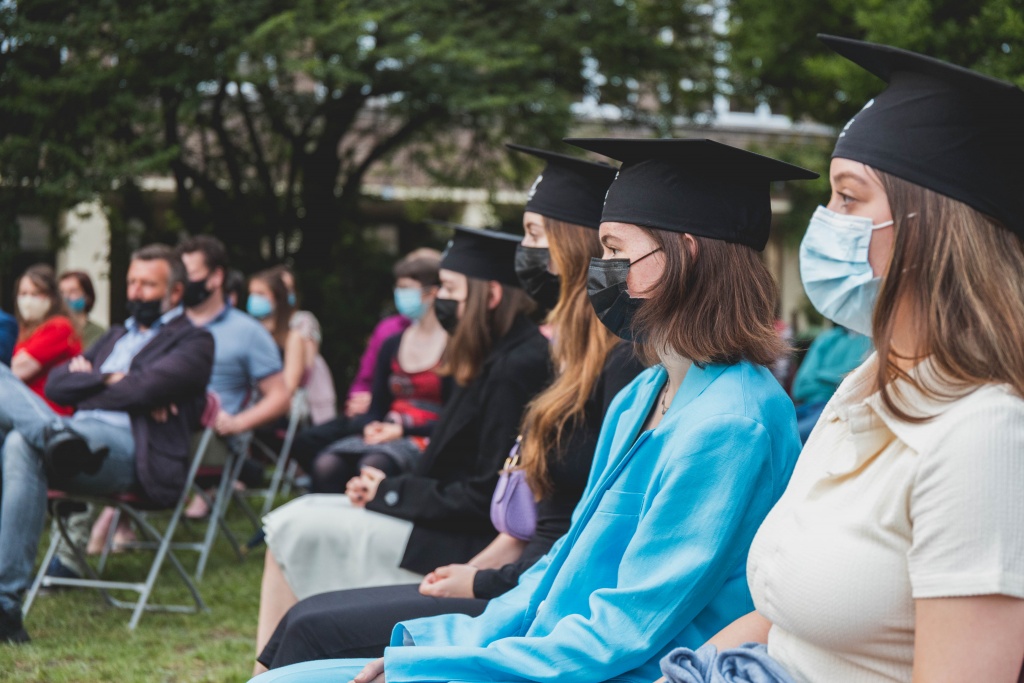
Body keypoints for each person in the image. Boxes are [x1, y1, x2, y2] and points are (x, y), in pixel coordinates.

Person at [250, 137, 814, 683]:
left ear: (685, 254)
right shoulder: (642, 395)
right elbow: (563, 565)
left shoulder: (731, 424)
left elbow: (625, 630)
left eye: (615, 249)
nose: (600, 267)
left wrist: (447, 667)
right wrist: (454, 643)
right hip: (550, 649)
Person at [697, 36, 1024, 683]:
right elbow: (782, 620)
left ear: (935, 229)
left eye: (848, 198)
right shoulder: (867, 383)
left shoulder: (986, 434)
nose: (826, 221)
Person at [254, 145, 640, 671]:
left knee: (308, 611)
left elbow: (556, 522)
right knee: (302, 584)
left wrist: (403, 505)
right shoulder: (559, 360)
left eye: (533, 234)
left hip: (519, 589)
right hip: (507, 571)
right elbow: (529, 516)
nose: (525, 252)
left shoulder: (591, 365)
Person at [253, 226, 551, 658]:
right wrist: (384, 488)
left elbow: (483, 494)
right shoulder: (491, 356)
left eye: (449, 289)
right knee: (295, 514)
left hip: (458, 541)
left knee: (291, 529)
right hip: (435, 517)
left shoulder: (515, 367)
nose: (440, 300)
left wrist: (389, 493)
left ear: (489, 296)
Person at [0, 244, 214, 643]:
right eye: (131, 282)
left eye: (147, 285)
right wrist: (117, 382)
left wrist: (95, 380)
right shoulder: (115, 335)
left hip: (131, 449)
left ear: (175, 291)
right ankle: (5, 609)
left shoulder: (195, 341)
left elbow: (145, 388)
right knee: (14, 427)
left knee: (18, 439)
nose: (135, 292)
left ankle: (5, 601)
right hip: (77, 437)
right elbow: (60, 384)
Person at [289, 249, 446, 491]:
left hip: (426, 435)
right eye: (398, 288)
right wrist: (370, 424)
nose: (400, 295)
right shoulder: (392, 343)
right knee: (326, 465)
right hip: (387, 428)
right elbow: (377, 403)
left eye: (407, 288)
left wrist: (401, 430)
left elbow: (454, 416)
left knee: (372, 465)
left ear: (432, 293)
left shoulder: (454, 345)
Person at [267, 265, 337, 425]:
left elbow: (307, 367)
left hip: (308, 396)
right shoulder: (265, 324)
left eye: (289, 288)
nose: (285, 292)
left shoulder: (303, 320)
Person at [10, 265, 82, 415]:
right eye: (23, 294)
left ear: (51, 296)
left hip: (49, 412)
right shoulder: (26, 330)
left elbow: (18, 369)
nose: (27, 300)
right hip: (25, 409)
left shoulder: (59, 327)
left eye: (35, 294)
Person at [790, 324, 871, 442]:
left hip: (836, 409)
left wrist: (819, 376)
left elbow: (855, 381)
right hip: (809, 407)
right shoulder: (827, 338)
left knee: (795, 437)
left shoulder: (870, 342)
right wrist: (834, 380)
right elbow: (800, 387)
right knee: (778, 431)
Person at [58, 270, 106, 349]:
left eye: (73, 291)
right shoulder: (52, 330)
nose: (65, 297)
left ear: (87, 297)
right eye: (61, 292)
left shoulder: (100, 334)